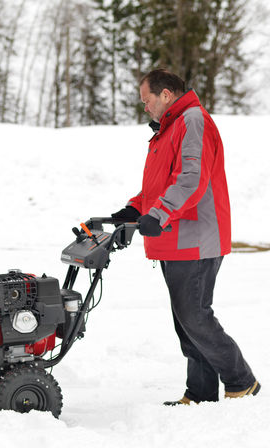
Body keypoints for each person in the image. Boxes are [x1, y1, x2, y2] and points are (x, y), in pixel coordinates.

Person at [112, 68, 260, 405]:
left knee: (195, 316)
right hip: (174, 238)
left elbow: (192, 179)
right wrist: (136, 209)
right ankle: (201, 394)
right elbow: (160, 185)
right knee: (187, 321)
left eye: (146, 100)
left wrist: (159, 214)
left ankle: (242, 380)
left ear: (165, 95)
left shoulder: (192, 120)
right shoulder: (168, 129)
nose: (144, 107)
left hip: (194, 238)